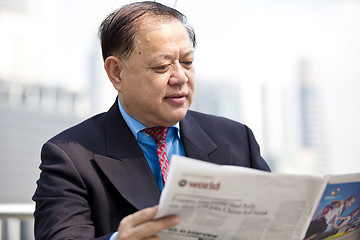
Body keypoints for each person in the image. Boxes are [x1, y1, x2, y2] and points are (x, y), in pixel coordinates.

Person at [32, 1, 270, 240]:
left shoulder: (236, 139)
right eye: (162, 66)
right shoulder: (70, 157)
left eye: (187, 62)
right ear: (117, 72)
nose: (180, 77)